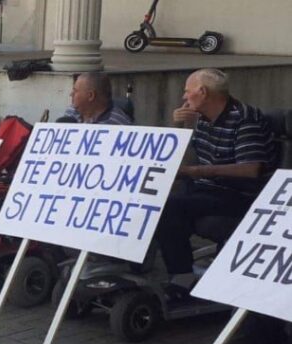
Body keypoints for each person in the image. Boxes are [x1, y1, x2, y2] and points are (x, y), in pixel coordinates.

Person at [157, 68, 277, 296]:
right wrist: (178, 128)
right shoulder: (201, 119)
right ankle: (172, 268)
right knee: (159, 198)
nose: (184, 97)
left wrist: (195, 171)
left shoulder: (245, 119)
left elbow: (250, 170)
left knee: (171, 205)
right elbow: (180, 157)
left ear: (202, 92)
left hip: (239, 194)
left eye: (187, 91)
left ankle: (182, 278)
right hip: (208, 188)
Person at [63, 72, 133, 124]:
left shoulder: (116, 123)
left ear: (91, 96)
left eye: (75, 91)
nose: (71, 94)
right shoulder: (71, 112)